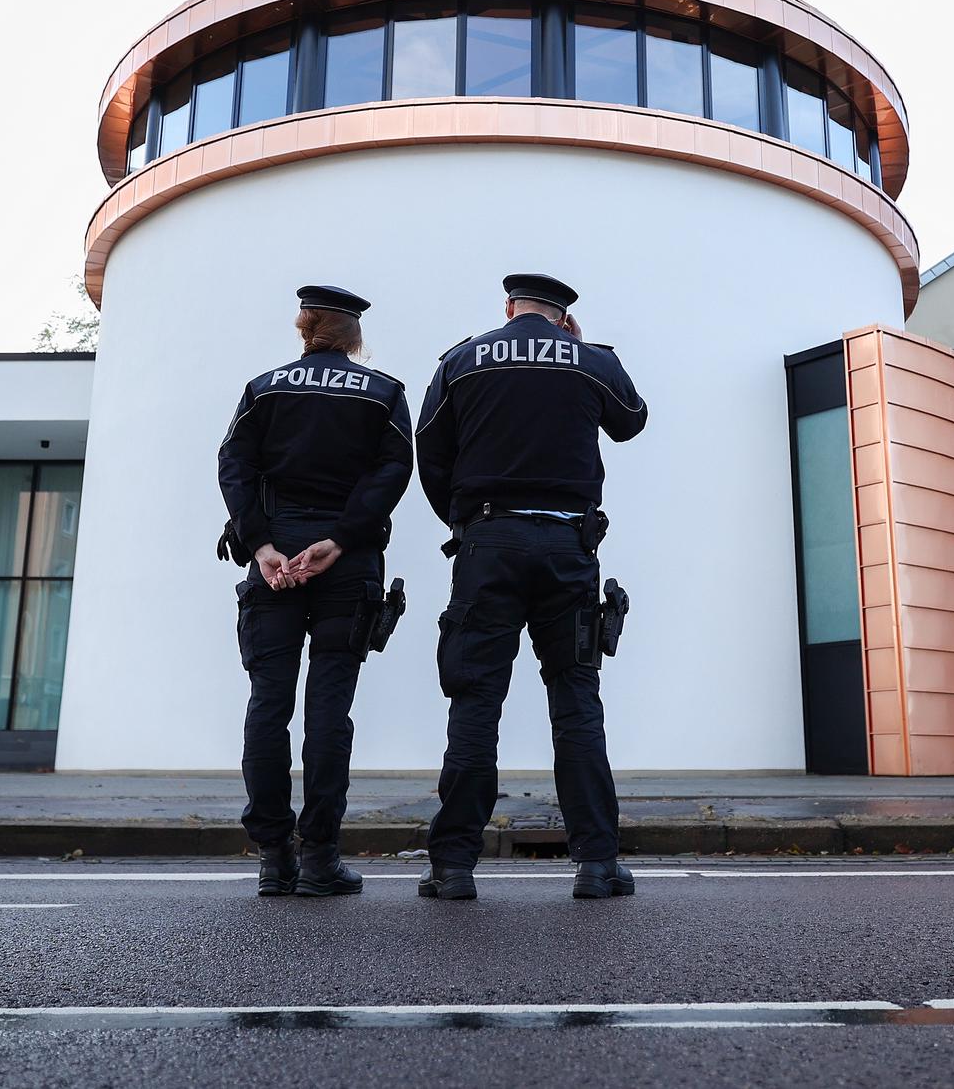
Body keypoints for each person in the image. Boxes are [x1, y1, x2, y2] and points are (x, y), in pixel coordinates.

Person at [413, 274, 648, 902]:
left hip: (487, 545)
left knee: (475, 702)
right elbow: (631, 420)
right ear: (563, 317)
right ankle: (596, 864)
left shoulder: (463, 359)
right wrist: (583, 348)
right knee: (576, 700)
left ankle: (453, 866)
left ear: (509, 307)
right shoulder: (590, 360)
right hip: (568, 548)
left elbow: (429, 449)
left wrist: (463, 524)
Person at [216, 285, 413, 897]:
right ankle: (320, 858)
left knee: (267, 704)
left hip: (274, 560)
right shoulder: (383, 393)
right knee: (329, 708)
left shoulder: (264, 388)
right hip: (346, 563)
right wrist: (341, 539)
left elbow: (233, 465)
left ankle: (274, 857)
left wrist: (261, 545)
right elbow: (394, 471)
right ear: (354, 334)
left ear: (304, 327)